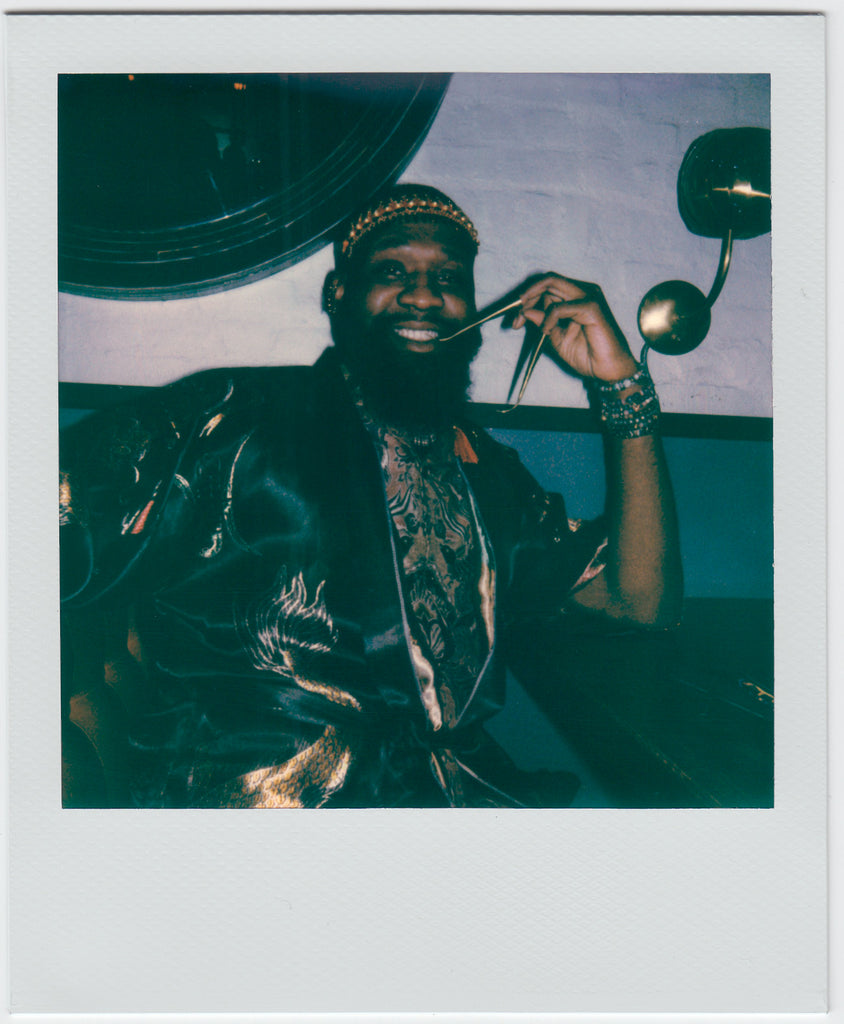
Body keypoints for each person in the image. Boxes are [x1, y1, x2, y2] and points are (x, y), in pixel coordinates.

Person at [60, 184, 682, 808]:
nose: (422, 294)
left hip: (462, 805)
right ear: (338, 292)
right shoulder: (232, 418)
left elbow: (636, 600)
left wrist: (623, 387)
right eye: (392, 271)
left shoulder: (486, 472)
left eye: (448, 276)